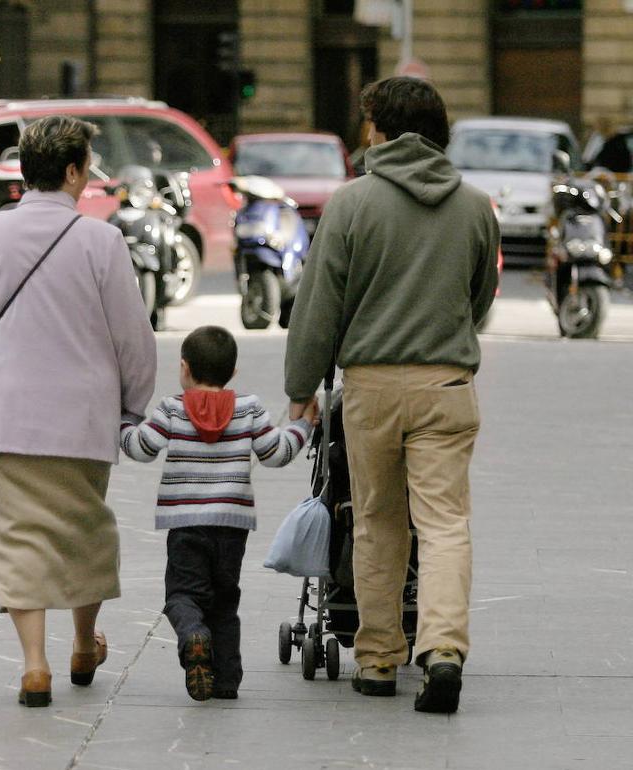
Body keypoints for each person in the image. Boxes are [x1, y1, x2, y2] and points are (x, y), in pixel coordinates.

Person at [284, 77, 500, 714]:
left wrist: (302, 387)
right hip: (446, 385)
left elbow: (319, 306)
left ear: (382, 130)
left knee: (376, 521)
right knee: (444, 526)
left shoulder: (351, 205)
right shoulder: (474, 206)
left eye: (367, 122)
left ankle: (378, 659)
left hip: (371, 388)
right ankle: (442, 652)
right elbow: (478, 301)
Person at [0, 115, 157, 708]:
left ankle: (35, 666)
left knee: (13, 539)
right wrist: (134, 406)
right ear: (75, 171)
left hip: (4, 417)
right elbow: (133, 336)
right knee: (82, 529)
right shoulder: (101, 241)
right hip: (83, 419)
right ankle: (84, 643)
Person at [120, 326, 314, 701]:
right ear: (234, 373)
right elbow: (277, 453)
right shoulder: (250, 408)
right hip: (231, 526)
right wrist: (303, 425)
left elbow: (140, 447)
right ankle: (225, 681)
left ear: (184, 368)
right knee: (225, 601)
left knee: (181, 595)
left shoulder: (172, 409)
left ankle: (192, 631)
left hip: (186, 524)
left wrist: (125, 421)